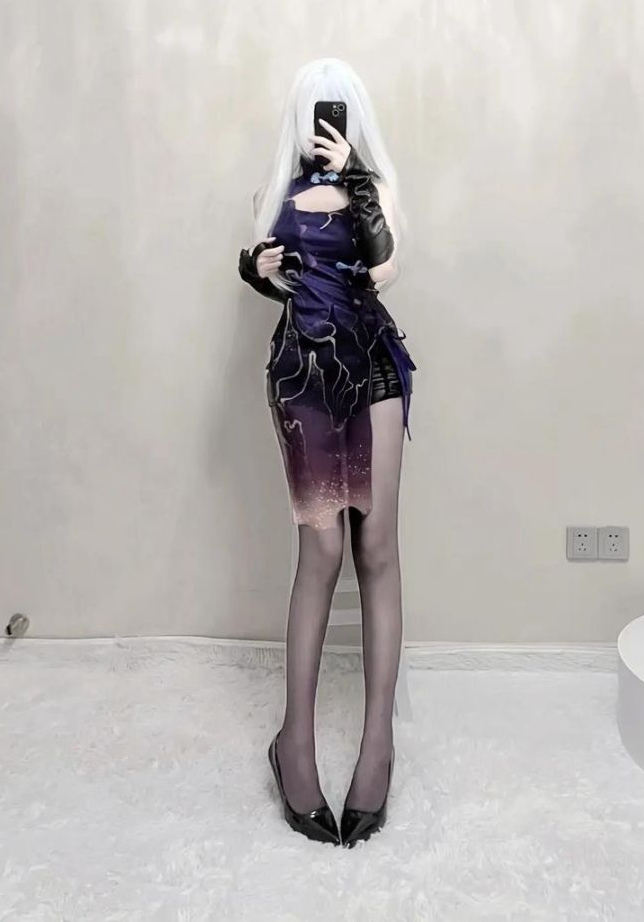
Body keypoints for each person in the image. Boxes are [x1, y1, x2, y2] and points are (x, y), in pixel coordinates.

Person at [238, 57, 416, 848]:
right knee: (320, 553)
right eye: (316, 108)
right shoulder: (272, 193)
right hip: (303, 377)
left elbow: (383, 268)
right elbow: (269, 272)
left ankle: (378, 744)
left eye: (337, 109)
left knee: (376, 549)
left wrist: (357, 181)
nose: (325, 123)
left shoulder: (375, 188)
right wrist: (255, 268)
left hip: (373, 372)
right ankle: (296, 744)